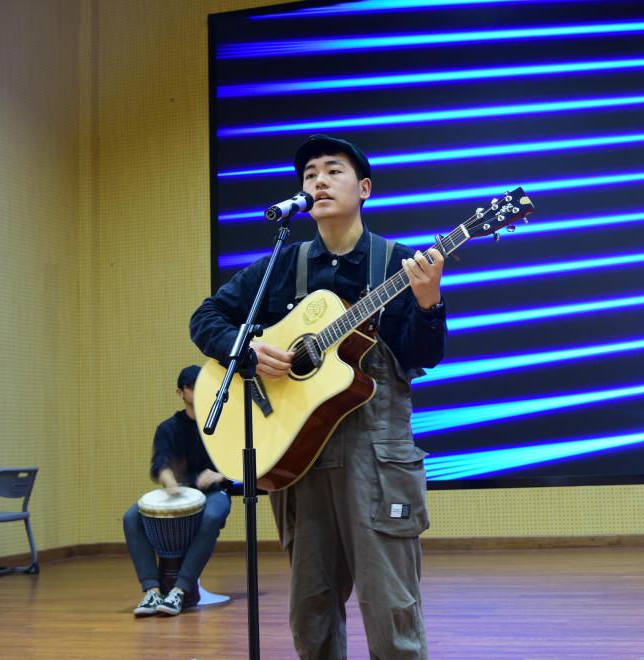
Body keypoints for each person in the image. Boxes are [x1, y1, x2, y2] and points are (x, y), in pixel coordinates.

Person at [190, 135, 446, 658]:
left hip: (376, 456)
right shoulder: (282, 264)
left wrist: (428, 303)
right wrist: (247, 349)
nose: (319, 181)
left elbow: (423, 355)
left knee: (390, 608)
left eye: (333, 171)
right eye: (309, 175)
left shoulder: (397, 263)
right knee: (311, 615)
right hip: (296, 455)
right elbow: (206, 317)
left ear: (364, 188)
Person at [123, 365, 231, 617]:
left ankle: (179, 591)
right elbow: (159, 463)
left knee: (212, 515)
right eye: (193, 386)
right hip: (180, 492)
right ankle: (152, 591)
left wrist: (219, 475)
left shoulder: (221, 423)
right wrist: (169, 479)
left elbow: (240, 463)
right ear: (180, 392)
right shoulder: (168, 428)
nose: (199, 390)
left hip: (214, 493)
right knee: (131, 517)